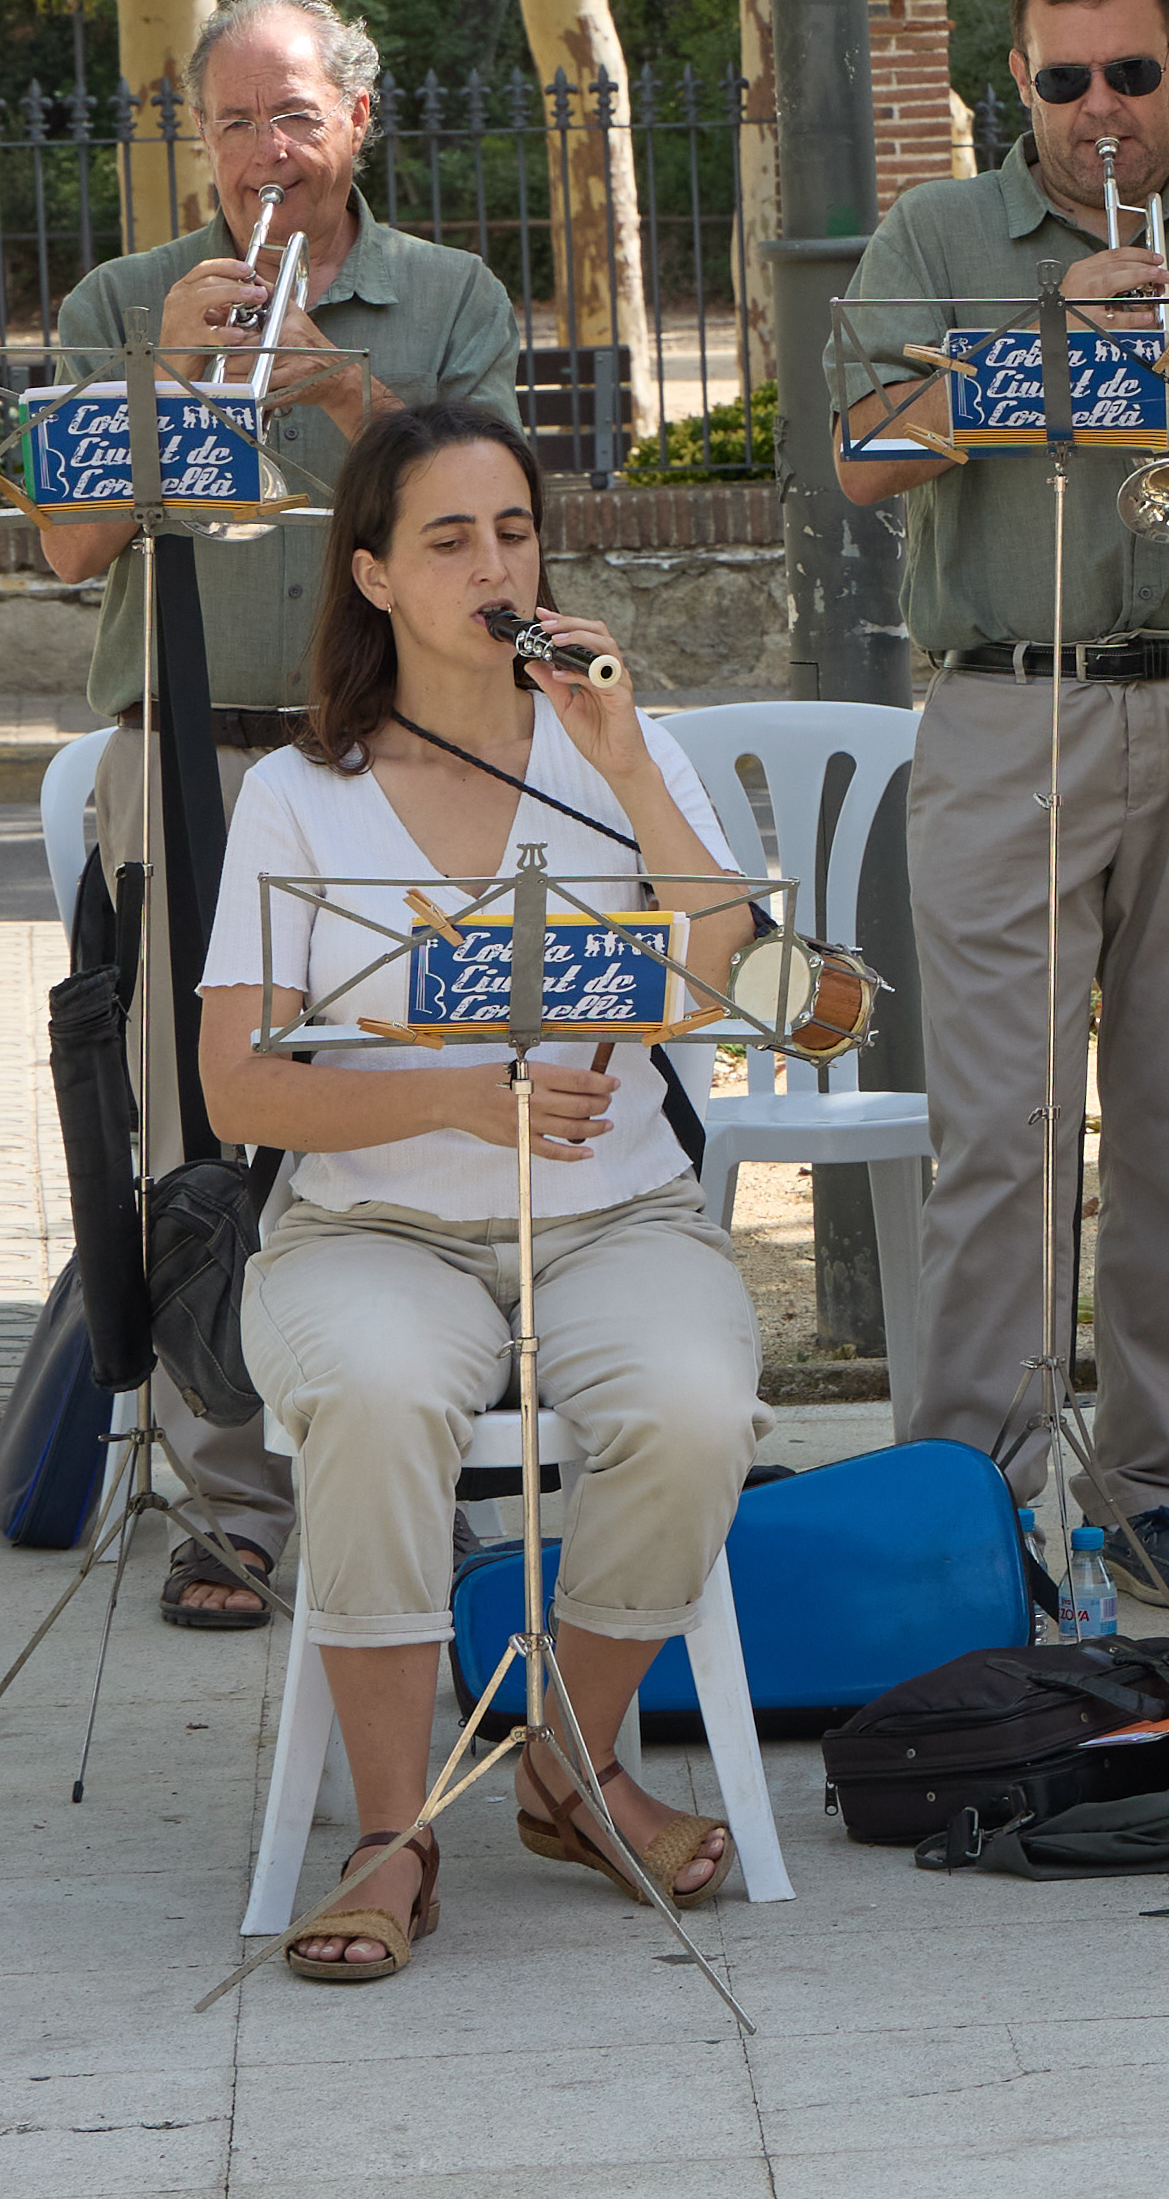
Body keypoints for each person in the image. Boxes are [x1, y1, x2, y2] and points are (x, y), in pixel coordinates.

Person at [193, 401, 766, 1980]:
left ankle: (568, 1766)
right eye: (449, 539)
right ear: (372, 574)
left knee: (696, 1401)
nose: (493, 564)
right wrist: (465, 1092)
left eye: (513, 532)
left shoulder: (613, 759)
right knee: (375, 1396)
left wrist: (626, 757)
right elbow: (233, 1087)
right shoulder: (299, 797)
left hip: (615, 1214)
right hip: (369, 1222)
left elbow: (723, 980)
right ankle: (392, 1830)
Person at [838, 0, 1169, 1606]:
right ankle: (972, 1499)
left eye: (1132, 75)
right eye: (1066, 82)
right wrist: (1040, 338)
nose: (1101, 113)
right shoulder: (942, 233)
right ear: (1020, 83)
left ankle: (1154, 1480)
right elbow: (859, 455)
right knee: (1003, 1133)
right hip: (1010, 707)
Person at [44, 0, 523, 1635]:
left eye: (292, 118)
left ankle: (416, 1469)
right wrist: (169, 379)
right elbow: (65, 546)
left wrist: (342, 398)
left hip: (387, 762)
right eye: (234, 123)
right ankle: (232, 1512)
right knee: (200, 1137)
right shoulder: (122, 294)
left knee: (405, 1106)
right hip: (180, 756)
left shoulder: (449, 296)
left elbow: (497, 532)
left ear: (356, 123)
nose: (263, 154)